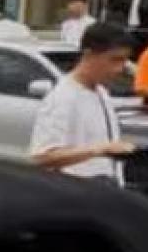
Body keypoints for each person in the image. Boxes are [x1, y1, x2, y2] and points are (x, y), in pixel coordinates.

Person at [29, 22, 133, 183]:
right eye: (114, 59)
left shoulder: (101, 92)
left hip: (105, 191)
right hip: (77, 196)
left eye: (123, 61)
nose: (119, 69)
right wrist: (100, 149)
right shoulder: (63, 96)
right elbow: (42, 158)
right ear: (89, 55)